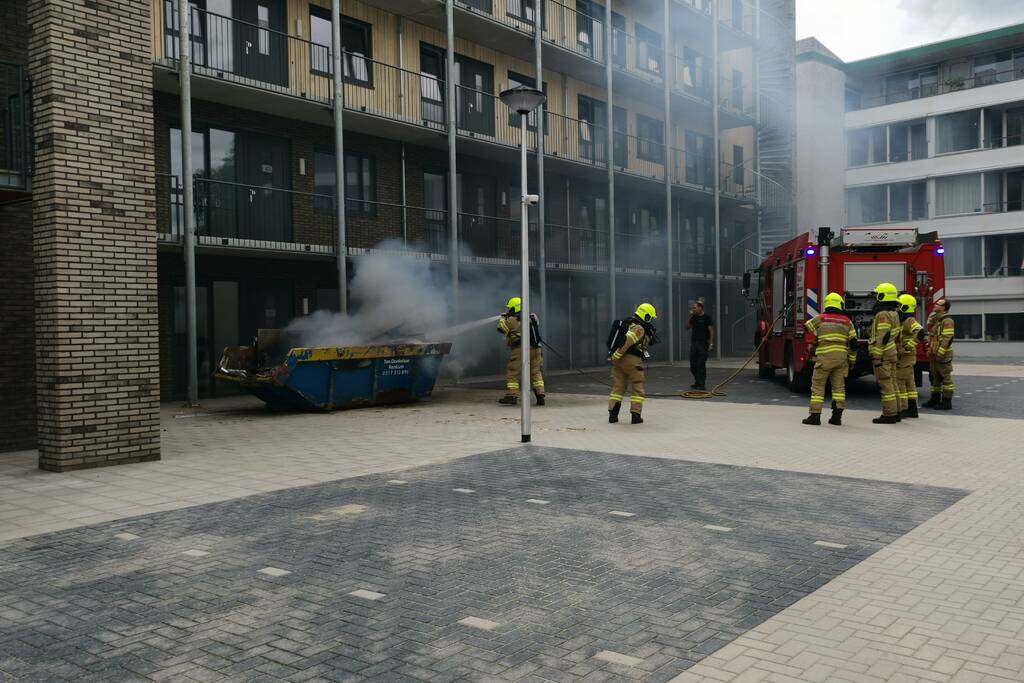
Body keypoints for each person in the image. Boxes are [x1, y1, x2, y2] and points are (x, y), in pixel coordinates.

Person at [801, 292, 857, 426]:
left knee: (818, 387)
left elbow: (806, 327)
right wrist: (852, 361)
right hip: (841, 359)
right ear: (840, 305)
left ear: (827, 304)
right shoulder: (847, 321)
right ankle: (836, 417)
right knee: (839, 388)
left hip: (824, 359)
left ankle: (815, 416)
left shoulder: (821, 318)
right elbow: (854, 344)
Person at [608, 303, 657, 425]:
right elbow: (627, 341)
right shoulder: (639, 328)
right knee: (637, 388)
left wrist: (614, 357)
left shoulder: (629, 323)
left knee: (618, 387)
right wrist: (617, 355)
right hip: (632, 360)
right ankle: (636, 416)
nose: (651, 320)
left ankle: (612, 416)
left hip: (619, 362)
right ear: (646, 316)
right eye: (650, 317)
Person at [496, 296, 545, 406]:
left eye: (510, 309)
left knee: (513, 371)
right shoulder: (533, 316)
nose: (509, 310)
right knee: (536, 372)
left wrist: (503, 318)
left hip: (521, 349)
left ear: (514, 308)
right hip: (536, 348)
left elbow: (501, 328)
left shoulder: (512, 320)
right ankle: (540, 396)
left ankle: (512, 396)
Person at [869, 282, 902, 424]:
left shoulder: (883, 314)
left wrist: (877, 356)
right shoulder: (894, 313)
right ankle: (897, 411)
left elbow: (883, 336)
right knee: (893, 383)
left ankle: (889, 414)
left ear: (883, 296)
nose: (876, 297)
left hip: (884, 355)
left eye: (878, 295)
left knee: (885, 384)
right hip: (892, 353)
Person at [896, 294, 924, 418]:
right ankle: (913, 410)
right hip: (907, 357)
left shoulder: (909, 320)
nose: (897, 309)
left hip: (905, 357)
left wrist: (908, 346)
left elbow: (920, 332)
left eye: (899, 306)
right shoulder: (904, 320)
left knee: (900, 381)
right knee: (909, 383)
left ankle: (903, 409)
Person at [924, 298, 955, 410]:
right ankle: (934, 399)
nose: (935, 305)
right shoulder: (937, 320)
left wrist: (941, 353)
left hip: (943, 355)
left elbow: (948, 338)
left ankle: (947, 401)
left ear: (943, 308)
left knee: (945, 378)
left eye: (938, 304)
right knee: (935, 378)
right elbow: (931, 334)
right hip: (934, 353)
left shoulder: (947, 321)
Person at [686, 301, 714, 390]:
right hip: (694, 344)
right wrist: (690, 316)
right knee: (693, 365)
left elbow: (711, 330)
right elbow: (687, 327)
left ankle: (701, 384)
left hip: (703, 344)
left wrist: (711, 343)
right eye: (693, 308)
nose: (693, 309)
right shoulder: (693, 317)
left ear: (700, 308)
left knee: (701, 364)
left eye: (695, 307)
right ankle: (697, 381)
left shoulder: (707, 318)